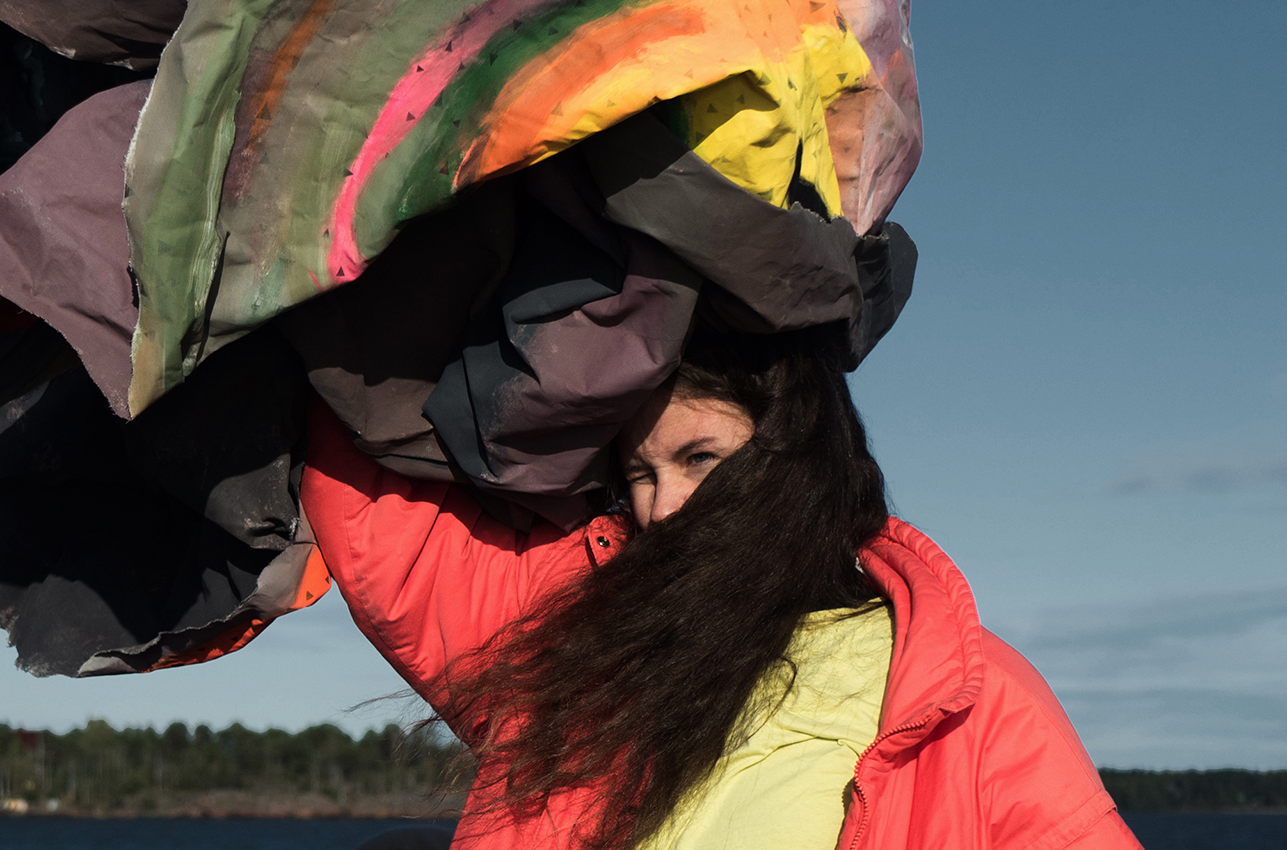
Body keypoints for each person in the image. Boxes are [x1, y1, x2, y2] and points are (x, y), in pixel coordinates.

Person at [300, 325, 1142, 850]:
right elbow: (380, 515)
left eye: (699, 459)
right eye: (638, 473)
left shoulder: (966, 694)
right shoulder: (577, 647)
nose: (663, 508)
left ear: (798, 450)